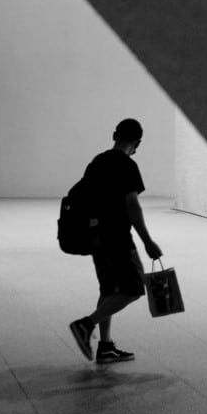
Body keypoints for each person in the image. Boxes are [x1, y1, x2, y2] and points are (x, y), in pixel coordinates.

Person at [68, 118, 163, 363]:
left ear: (114, 135)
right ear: (138, 143)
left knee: (108, 289)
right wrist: (147, 241)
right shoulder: (127, 166)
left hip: (95, 236)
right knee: (133, 288)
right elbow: (132, 205)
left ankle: (106, 346)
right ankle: (86, 325)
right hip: (117, 237)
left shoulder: (98, 162)